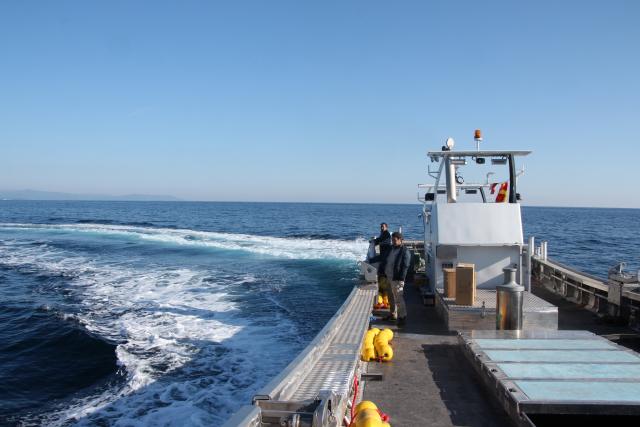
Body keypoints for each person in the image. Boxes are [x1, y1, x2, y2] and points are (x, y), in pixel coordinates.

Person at [381, 231, 411, 326]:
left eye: (394, 240)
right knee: (390, 297)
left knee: (398, 298)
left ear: (400, 240)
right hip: (389, 277)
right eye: (392, 240)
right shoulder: (391, 248)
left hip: (397, 279)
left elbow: (405, 266)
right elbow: (385, 259)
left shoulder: (404, 251)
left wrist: (401, 279)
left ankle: (402, 317)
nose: (393, 242)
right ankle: (393, 314)